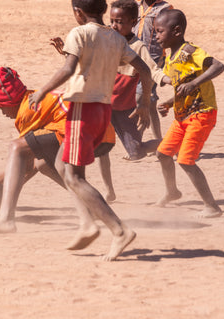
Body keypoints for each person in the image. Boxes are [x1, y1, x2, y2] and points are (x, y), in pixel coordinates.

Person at [29, 0, 153, 261]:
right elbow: (144, 69)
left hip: (82, 110)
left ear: (78, 12)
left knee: (74, 177)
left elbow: (68, 68)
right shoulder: (115, 37)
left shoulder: (79, 32)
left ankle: (118, 230)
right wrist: (143, 102)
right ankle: (87, 223)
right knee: (63, 166)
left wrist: (41, 91)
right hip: (103, 111)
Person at [0, 67, 116, 234]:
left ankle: (5, 218)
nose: (2, 112)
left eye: (1, 107)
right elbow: (33, 163)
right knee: (43, 164)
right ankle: (90, 207)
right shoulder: (32, 99)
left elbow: (25, 162)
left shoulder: (27, 111)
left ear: (8, 101)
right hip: (102, 131)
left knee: (16, 147)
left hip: (85, 128)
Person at [154, 9, 224, 218]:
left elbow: (218, 66)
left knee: (185, 160)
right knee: (163, 154)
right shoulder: (170, 56)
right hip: (183, 115)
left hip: (202, 114)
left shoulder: (189, 51)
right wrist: (169, 103)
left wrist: (195, 82)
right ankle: (172, 191)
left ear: (176, 31)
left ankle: (212, 206)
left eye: (159, 31)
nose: (156, 36)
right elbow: (182, 86)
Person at [109, 0, 170, 160]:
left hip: (124, 108)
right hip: (103, 103)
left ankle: (172, 142)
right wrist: (67, 51)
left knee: (135, 152)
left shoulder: (137, 47)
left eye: (120, 22)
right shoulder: (107, 39)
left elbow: (152, 70)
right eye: (112, 21)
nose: (114, 26)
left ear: (133, 22)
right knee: (96, 144)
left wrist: (166, 79)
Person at [133, 0, 173, 140]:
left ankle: (136, 141)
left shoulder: (164, 8)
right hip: (134, 58)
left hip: (154, 60)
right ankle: (158, 142)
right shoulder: (134, 5)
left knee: (140, 97)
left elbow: (171, 32)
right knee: (150, 104)